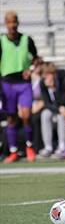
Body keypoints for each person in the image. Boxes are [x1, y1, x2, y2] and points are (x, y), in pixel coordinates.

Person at [0, 10, 39, 163]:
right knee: (11, 118)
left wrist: (30, 70)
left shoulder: (26, 40)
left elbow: (36, 58)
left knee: (27, 115)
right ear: (5, 24)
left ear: (18, 23)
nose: (12, 25)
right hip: (7, 83)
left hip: (23, 83)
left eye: (14, 22)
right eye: (9, 22)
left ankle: (30, 147)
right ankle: (14, 151)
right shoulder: (1, 41)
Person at [39, 62, 65, 157]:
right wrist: (58, 108)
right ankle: (48, 147)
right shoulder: (42, 83)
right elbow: (46, 103)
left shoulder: (64, 80)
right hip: (56, 108)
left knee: (61, 117)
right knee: (45, 114)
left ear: (53, 74)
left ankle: (62, 147)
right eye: (44, 75)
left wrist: (54, 89)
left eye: (47, 74)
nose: (45, 77)